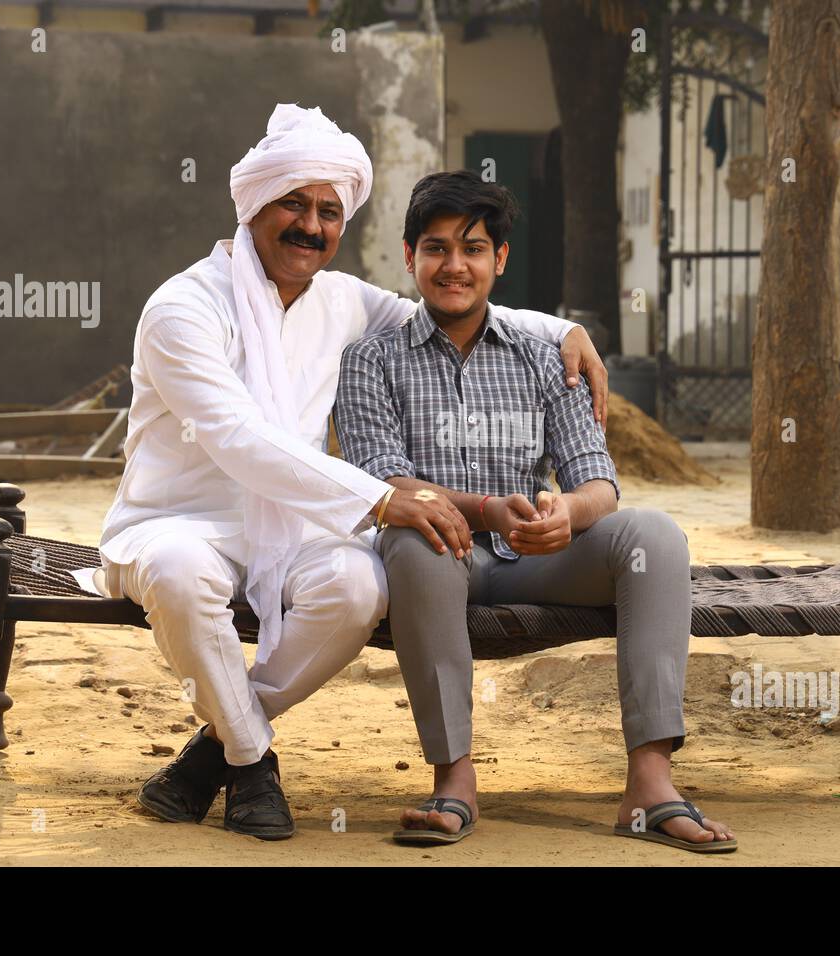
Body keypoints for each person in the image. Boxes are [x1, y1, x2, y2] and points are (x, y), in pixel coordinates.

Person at [88, 106, 608, 841]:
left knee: (361, 586)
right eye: (293, 204)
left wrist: (565, 330)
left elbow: (446, 307)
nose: (311, 226)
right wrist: (380, 499)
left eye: (328, 212)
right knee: (178, 576)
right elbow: (240, 439)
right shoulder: (184, 308)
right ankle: (251, 763)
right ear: (254, 206)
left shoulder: (342, 301)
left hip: (291, 528)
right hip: (177, 521)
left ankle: (215, 750)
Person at [335, 171, 737, 853]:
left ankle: (649, 783)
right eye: (436, 249)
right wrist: (484, 510)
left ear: (501, 259)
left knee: (654, 538)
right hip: (441, 558)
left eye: (473, 248)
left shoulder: (545, 358)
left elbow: (599, 482)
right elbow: (384, 480)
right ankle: (453, 778)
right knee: (413, 538)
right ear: (409, 258)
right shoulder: (370, 360)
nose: (454, 266)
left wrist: (568, 514)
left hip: (539, 559)